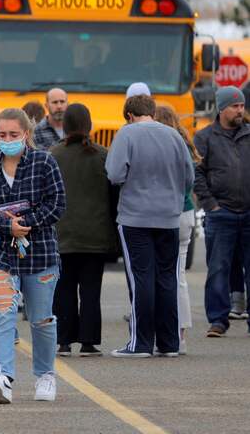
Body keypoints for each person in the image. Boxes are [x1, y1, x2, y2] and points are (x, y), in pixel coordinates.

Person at [0, 108, 66, 404]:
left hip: (40, 250)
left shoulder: (44, 162)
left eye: (13, 135)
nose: (7, 140)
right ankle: (2, 376)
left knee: (41, 319)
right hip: (1, 250)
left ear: (26, 134)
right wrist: (7, 226)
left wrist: (27, 223)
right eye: (2, 135)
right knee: (2, 311)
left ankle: (45, 375)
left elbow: (57, 203)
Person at [106, 94, 193, 357]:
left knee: (141, 277)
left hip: (136, 217)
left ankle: (141, 342)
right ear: (152, 112)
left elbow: (114, 174)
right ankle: (169, 343)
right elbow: (189, 176)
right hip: (169, 216)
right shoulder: (174, 136)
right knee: (168, 278)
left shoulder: (127, 134)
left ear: (129, 115)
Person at [50, 104, 116, 357]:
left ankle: (63, 340)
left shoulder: (53, 155)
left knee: (63, 288)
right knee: (91, 289)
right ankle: (89, 341)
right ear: (89, 125)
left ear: (64, 126)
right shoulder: (102, 155)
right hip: (95, 235)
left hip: (62, 234)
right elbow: (113, 194)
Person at [193, 86, 250, 338]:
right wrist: (211, 205)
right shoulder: (205, 137)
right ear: (222, 108)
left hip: (249, 214)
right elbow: (196, 173)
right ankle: (218, 319)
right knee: (218, 269)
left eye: (242, 106)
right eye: (235, 106)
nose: (240, 110)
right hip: (221, 214)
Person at [154, 104, 198, 352]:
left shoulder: (160, 146)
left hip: (166, 213)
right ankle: (180, 333)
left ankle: (165, 331)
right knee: (178, 276)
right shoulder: (184, 143)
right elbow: (190, 179)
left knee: (162, 276)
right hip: (186, 210)